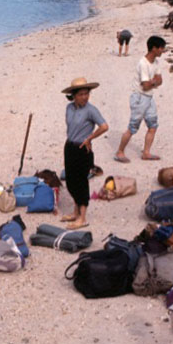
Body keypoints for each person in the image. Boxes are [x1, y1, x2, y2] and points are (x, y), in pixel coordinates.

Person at [60, 78, 109, 230]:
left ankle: (83, 218)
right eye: (81, 94)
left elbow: (104, 126)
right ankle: (75, 212)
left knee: (81, 182)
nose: (85, 97)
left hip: (83, 149)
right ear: (73, 95)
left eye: (86, 94)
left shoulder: (91, 110)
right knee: (70, 181)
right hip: (69, 147)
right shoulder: (69, 108)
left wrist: (90, 138)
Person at [115, 35, 166, 163]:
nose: (162, 50)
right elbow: (145, 85)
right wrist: (154, 82)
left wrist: (153, 82)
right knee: (133, 127)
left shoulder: (156, 62)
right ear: (154, 48)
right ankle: (120, 152)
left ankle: (146, 153)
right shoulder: (143, 64)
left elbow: (159, 80)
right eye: (161, 48)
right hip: (139, 98)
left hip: (149, 97)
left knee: (153, 126)